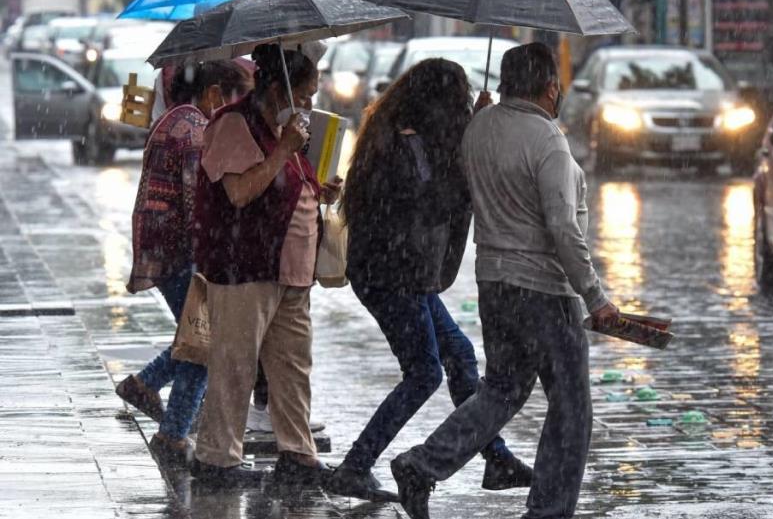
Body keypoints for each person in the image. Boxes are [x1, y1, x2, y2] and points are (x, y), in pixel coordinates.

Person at [389, 43, 620, 519]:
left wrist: (480, 119)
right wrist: (595, 296)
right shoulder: (547, 140)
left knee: (501, 390)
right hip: (544, 290)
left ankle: (423, 464)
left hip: (495, 285)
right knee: (572, 408)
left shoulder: (479, 129)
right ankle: (549, 510)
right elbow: (562, 226)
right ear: (550, 87)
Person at [326, 59, 533, 502]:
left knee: (458, 355)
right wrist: (469, 142)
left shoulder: (411, 136)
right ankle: (356, 466)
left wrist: (473, 128)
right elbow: (431, 201)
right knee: (423, 373)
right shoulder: (403, 144)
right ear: (436, 101)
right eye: (456, 98)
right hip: (390, 275)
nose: (460, 105)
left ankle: (495, 459)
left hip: (403, 274)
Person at [190, 42, 341, 488]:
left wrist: (319, 190)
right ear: (278, 88)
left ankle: (297, 452)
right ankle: (217, 458)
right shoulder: (235, 125)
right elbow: (240, 193)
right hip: (245, 266)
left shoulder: (285, 128)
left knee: (292, 368)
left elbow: (288, 183)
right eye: (306, 94)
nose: (311, 103)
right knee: (235, 365)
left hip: (291, 272)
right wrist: (285, 150)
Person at [117, 60, 252, 467]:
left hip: (164, 249)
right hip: (181, 253)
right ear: (212, 93)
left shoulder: (174, 119)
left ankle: (145, 385)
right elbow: (199, 204)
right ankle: (172, 432)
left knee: (197, 336)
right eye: (230, 100)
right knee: (204, 343)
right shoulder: (193, 130)